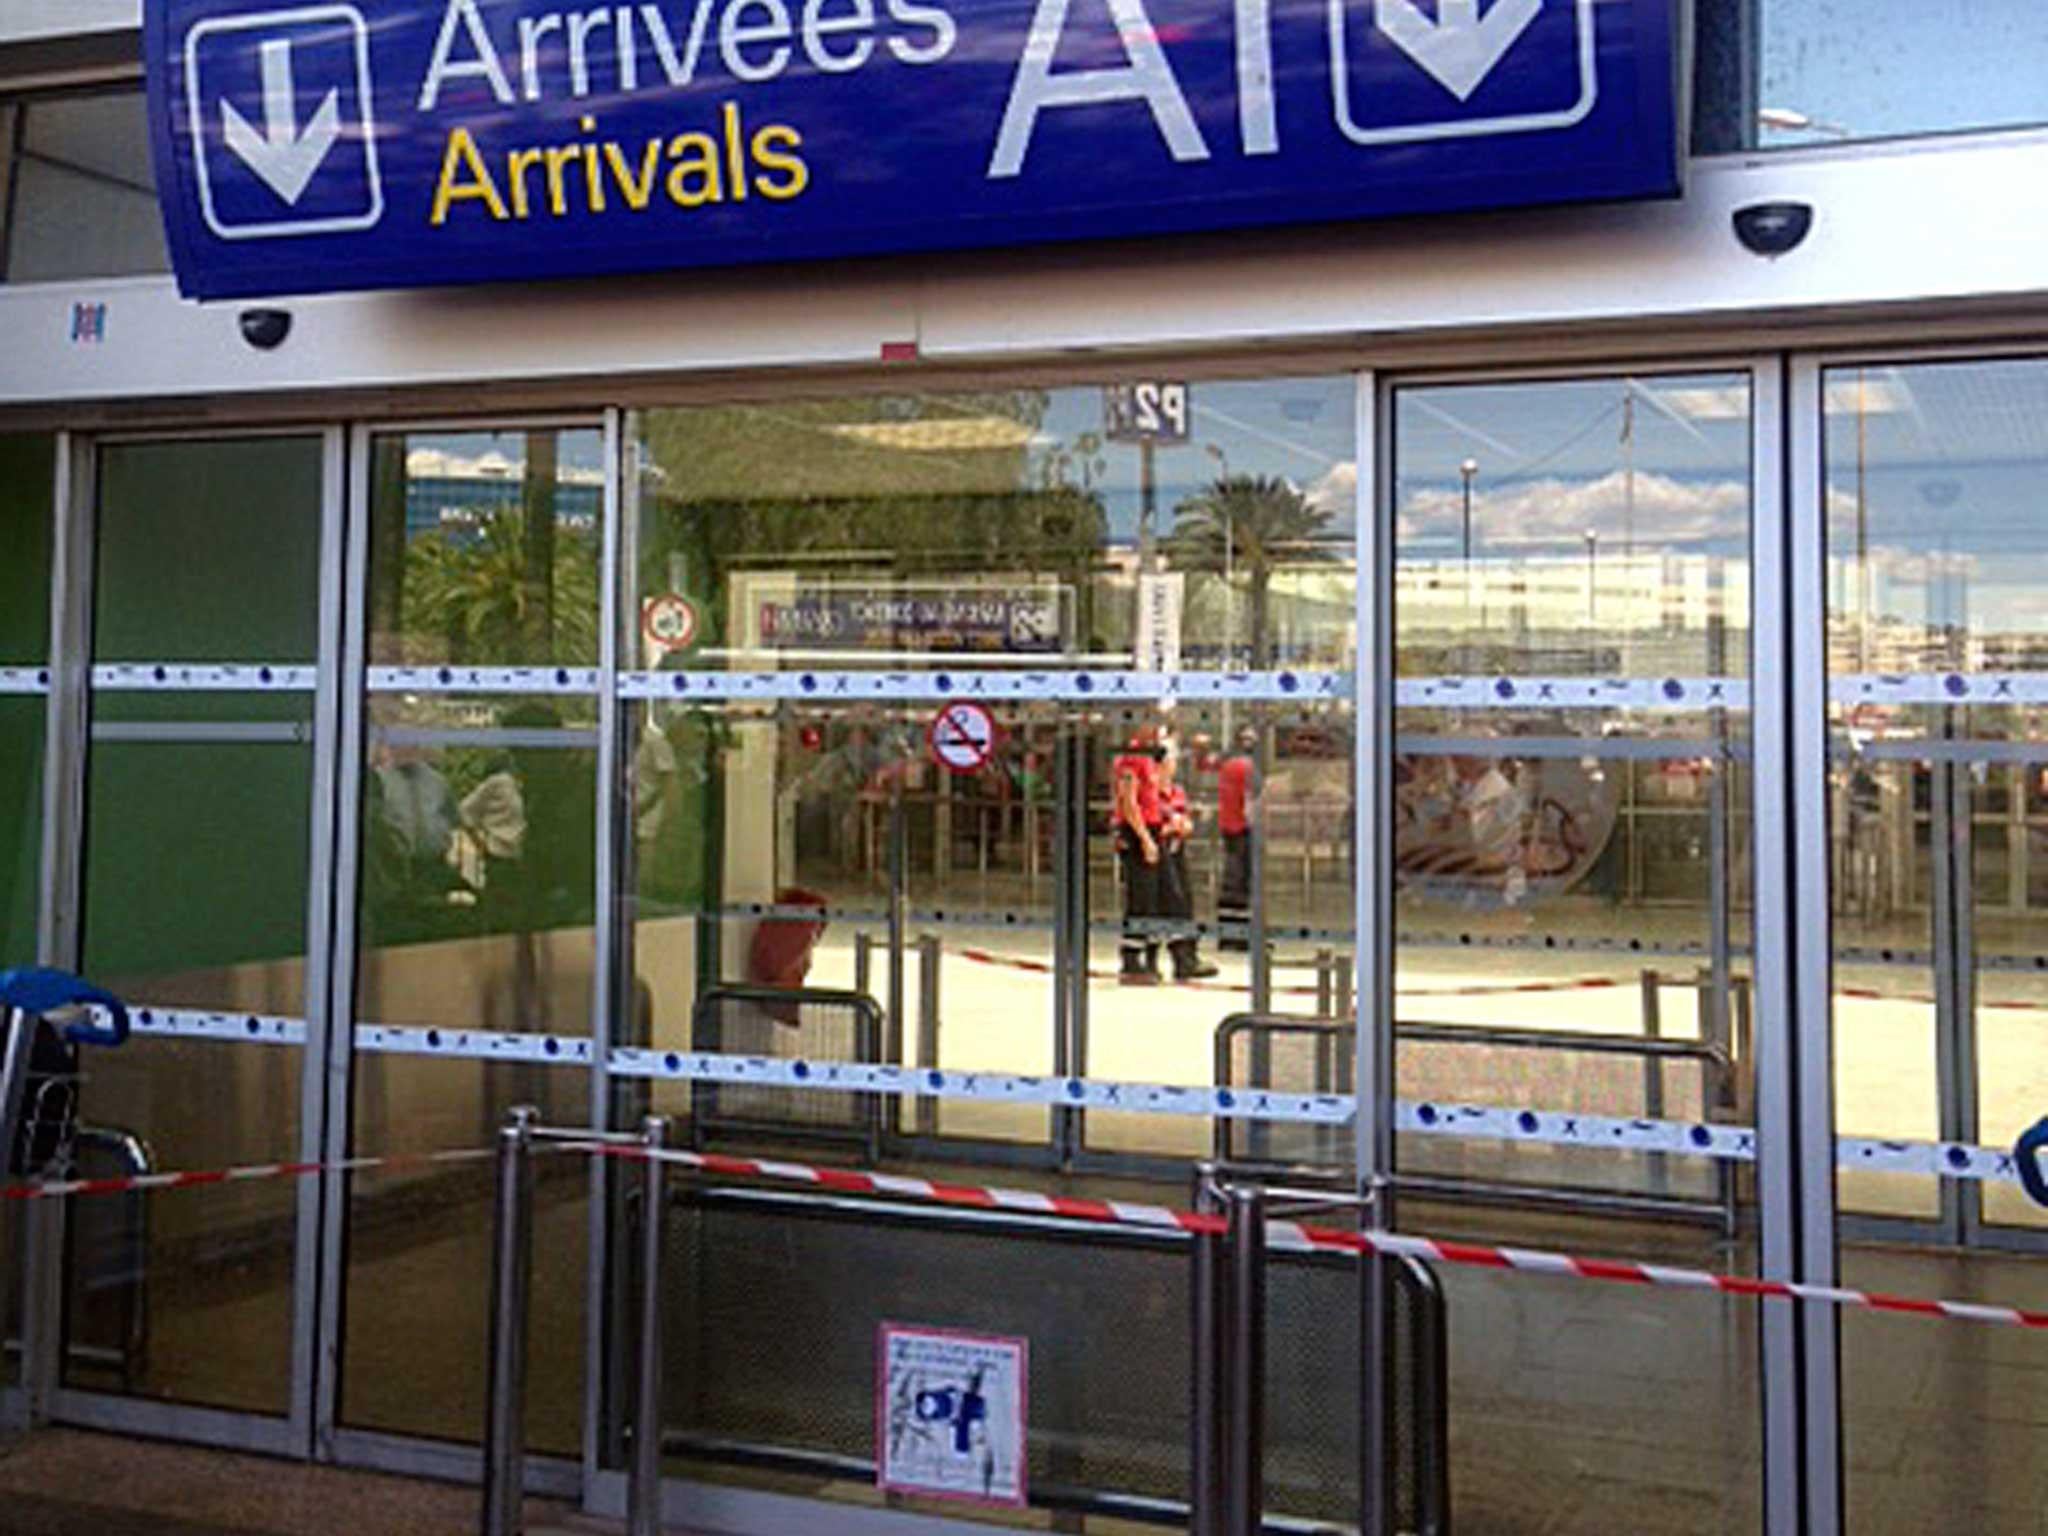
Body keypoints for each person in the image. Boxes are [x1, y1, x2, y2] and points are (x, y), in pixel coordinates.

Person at [1156, 741, 1218, 981]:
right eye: (1169, 761)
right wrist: (1168, 826)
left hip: (1177, 848)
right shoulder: (1151, 791)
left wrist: (1183, 825)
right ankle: (1165, 956)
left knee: (1184, 901)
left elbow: (1184, 815)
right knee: (1169, 903)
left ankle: (1188, 955)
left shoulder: (1176, 791)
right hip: (1160, 849)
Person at [1111, 727, 1166, 985]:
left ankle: (1151, 955)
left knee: (1153, 896)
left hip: (1153, 827)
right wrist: (1145, 839)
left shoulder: (1150, 757)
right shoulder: (1131, 759)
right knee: (1139, 896)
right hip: (1137, 832)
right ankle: (1132, 959)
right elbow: (1128, 802)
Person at [1215, 726, 1257, 951]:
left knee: (1232, 881)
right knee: (1240, 882)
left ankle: (1228, 933)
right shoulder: (1247, 768)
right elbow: (1249, 800)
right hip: (1242, 828)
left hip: (1228, 826)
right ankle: (1238, 934)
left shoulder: (1228, 766)